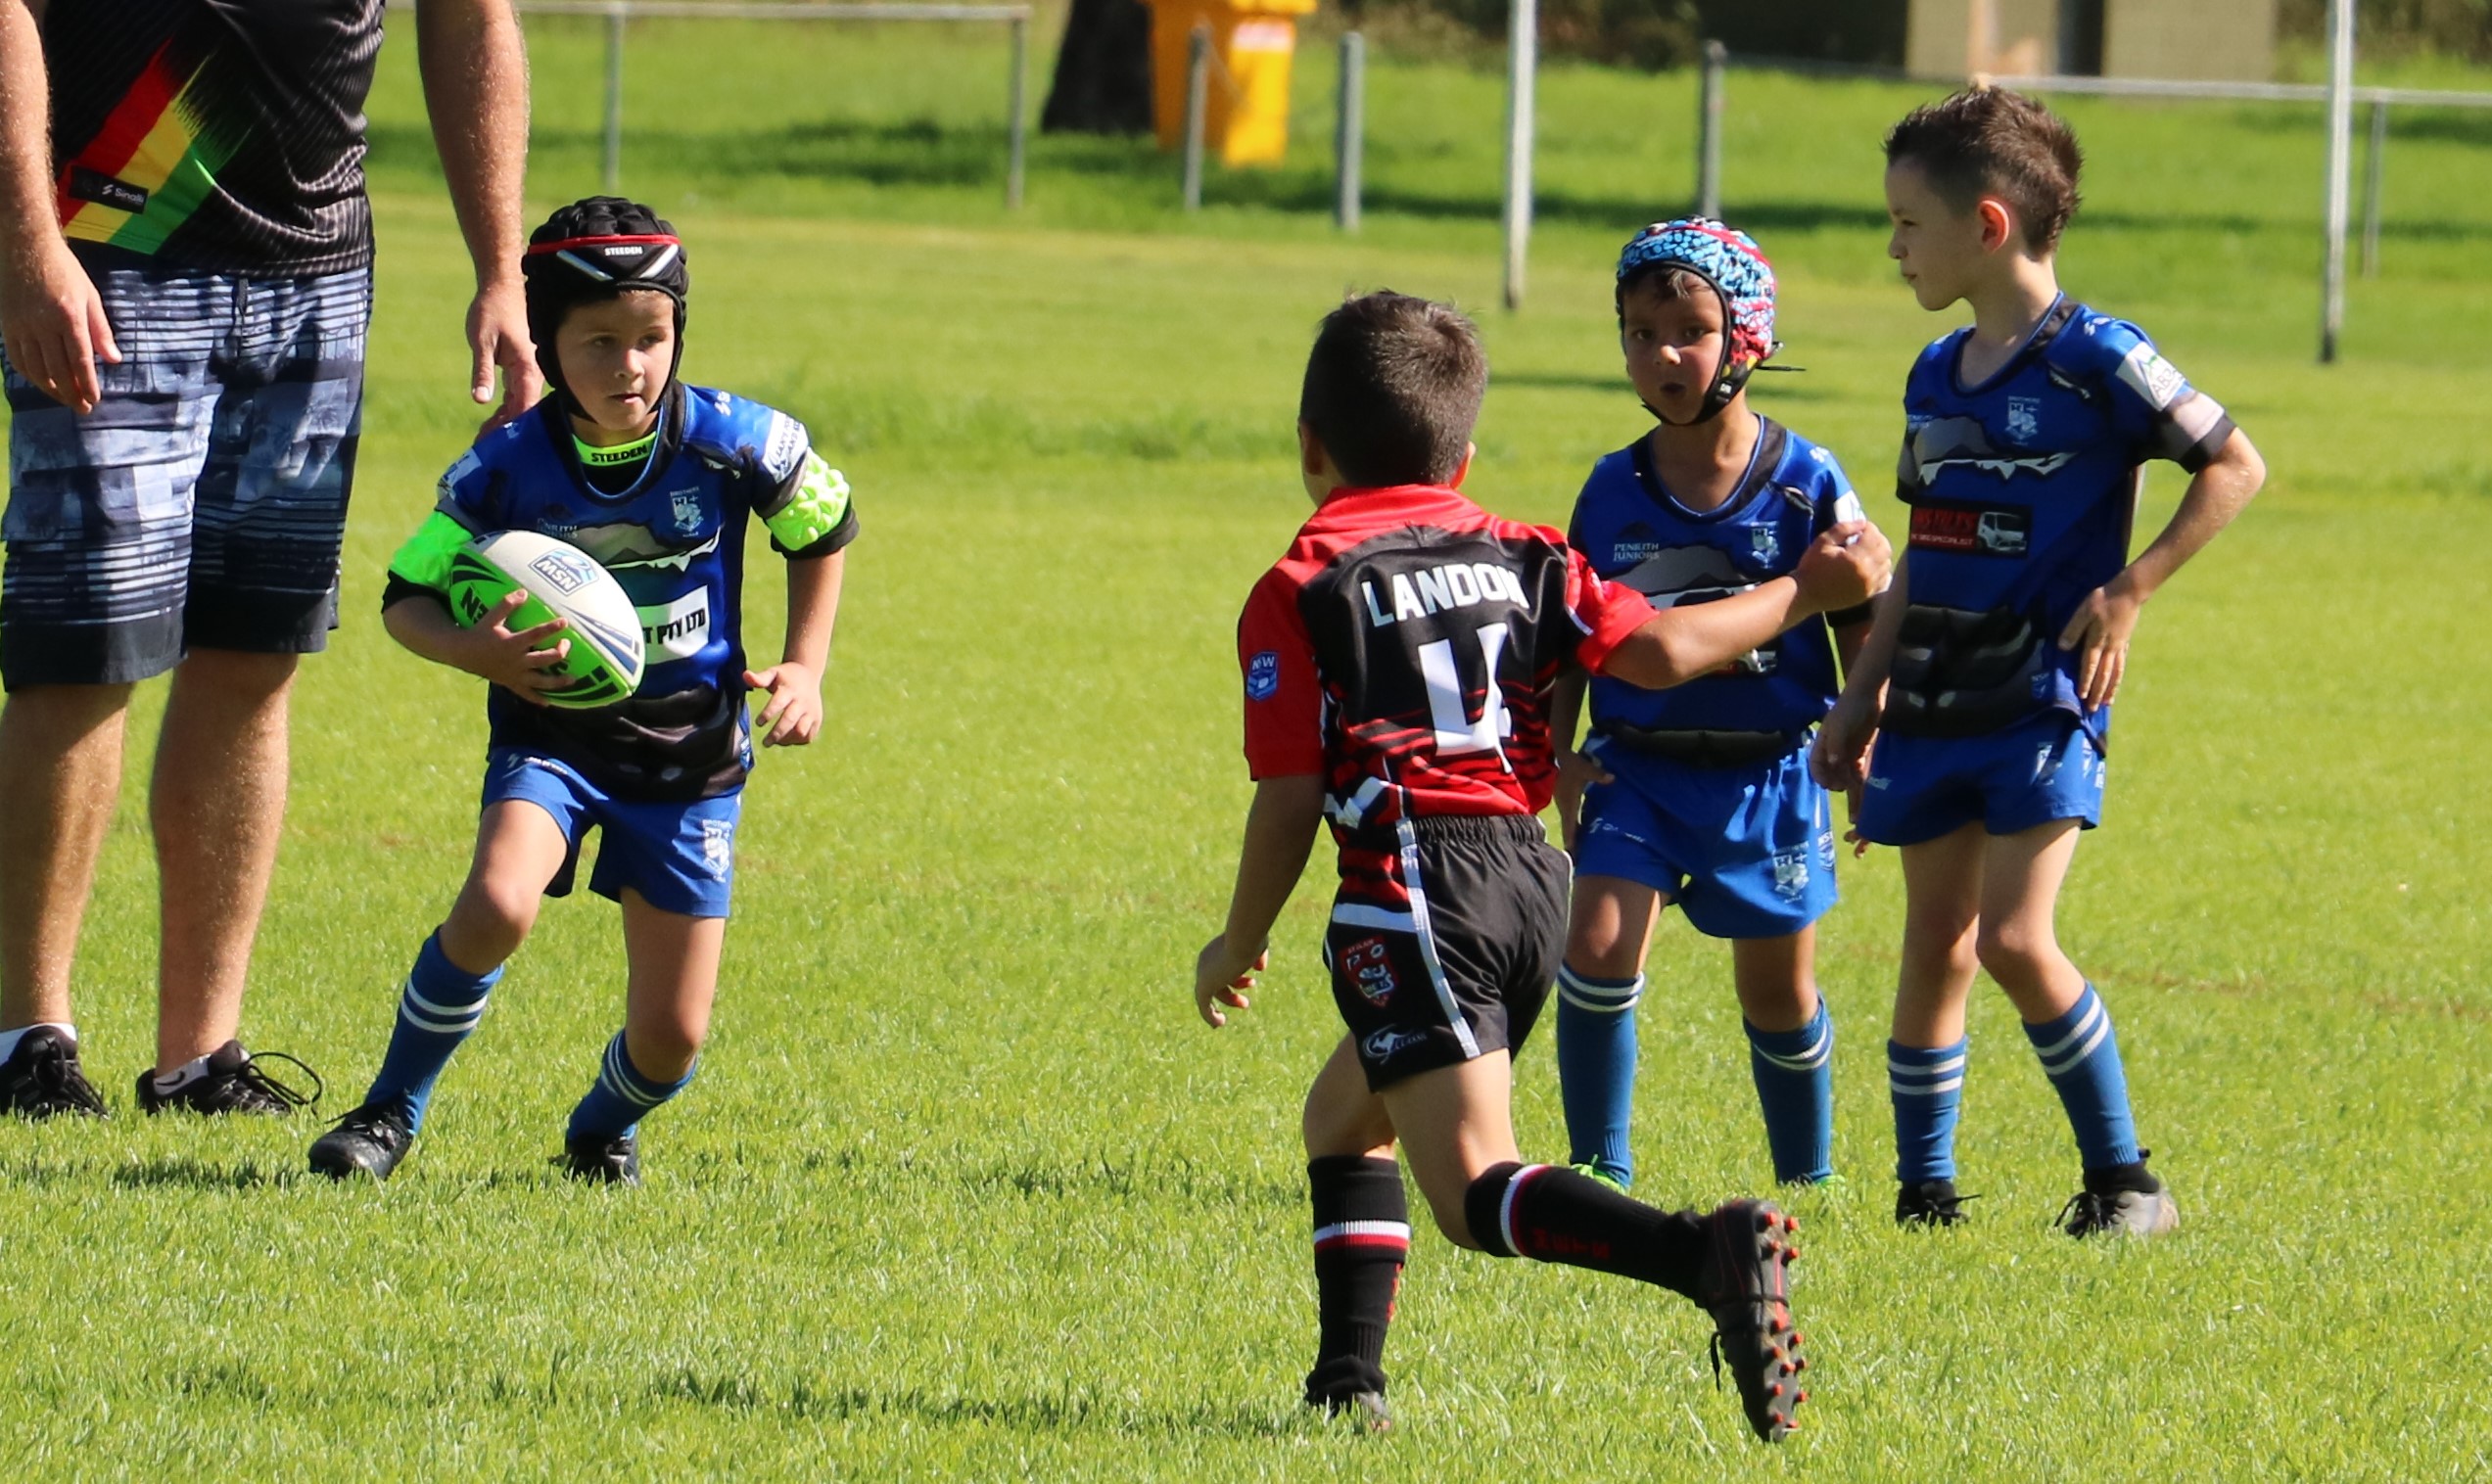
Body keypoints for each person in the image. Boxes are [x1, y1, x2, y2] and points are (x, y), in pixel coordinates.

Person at [1193, 291, 1891, 1441]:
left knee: (1471, 1189)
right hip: (1532, 883)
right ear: (1461, 454)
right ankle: (1346, 1386)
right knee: (1341, 1118)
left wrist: (1240, 937)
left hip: (1416, 885)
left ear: (1310, 446)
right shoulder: (1527, 552)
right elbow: (1661, 650)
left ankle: (1698, 1252)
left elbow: (1289, 794)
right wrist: (1797, 596)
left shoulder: (1301, 586)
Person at [0, 0, 535, 1118]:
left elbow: (470, 17)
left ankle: (200, 1054)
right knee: (81, 654)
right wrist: (24, 244)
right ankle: (26, 1039)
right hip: (109, 251)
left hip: (316, 275)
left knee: (256, 651)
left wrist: (502, 266)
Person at [305, 197, 857, 1184]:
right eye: (598, 341)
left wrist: (806, 664)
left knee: (673, 1038)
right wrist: (486, 655)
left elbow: (824, 520)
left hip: (689, 760)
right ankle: (389, 1109)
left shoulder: (731, 438)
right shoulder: (502, 469)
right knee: (498, 901)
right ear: (550, 346)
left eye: (651, 337)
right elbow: (403, 600)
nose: (629, 365)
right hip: (550, 739)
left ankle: (600, 1128)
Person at [1812, 88, 2265, 1236]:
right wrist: (1859, 699)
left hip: (2042, 695)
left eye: (1909, 223)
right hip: (1930, 698)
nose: (1893, 244)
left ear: (1987, 226)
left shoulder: (2100, 357)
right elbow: (1920, 549)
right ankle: (1925, 1195)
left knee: (2015, 936)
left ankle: (2125, 1183)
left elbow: (2233, 464)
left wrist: (2129, 590)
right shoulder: (1932, 372)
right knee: (1936, 942)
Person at [1549, 219, 1874, 1192]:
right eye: (1637, 334)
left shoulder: (1809, 481)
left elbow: (1863, 620)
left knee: (1777, 989)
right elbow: (1566, 638)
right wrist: (1554, 754)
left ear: (1748, 337)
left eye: (1686, 331)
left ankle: (1805, 1179)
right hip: (1635, 766)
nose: (1660, 356)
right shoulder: (1610, 490)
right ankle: (1598, 1169)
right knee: (1597, 942)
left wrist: (1865, 735)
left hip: (1767, 774)